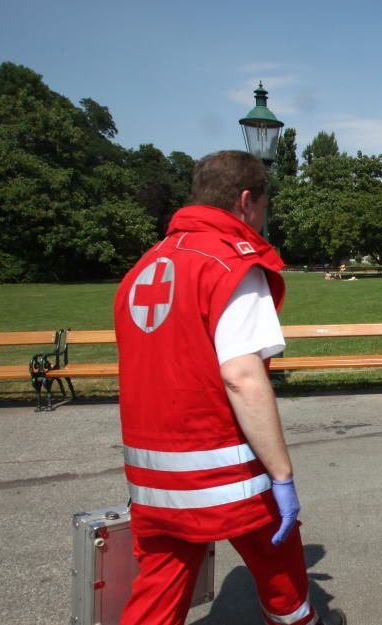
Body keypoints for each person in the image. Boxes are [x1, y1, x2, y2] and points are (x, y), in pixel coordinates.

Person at [114, 150, 345, 625]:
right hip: (227, 467)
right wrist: (281, 474)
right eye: (264, 206)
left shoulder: (143, 267)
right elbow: (242, 378)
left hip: (153, 475)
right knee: (284, 586)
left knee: (156, 598)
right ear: (246, 202)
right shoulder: (230, 265)